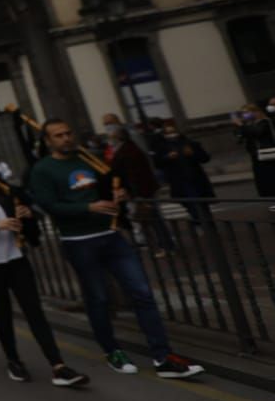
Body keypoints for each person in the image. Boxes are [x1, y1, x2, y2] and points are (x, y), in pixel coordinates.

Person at [28, 117, 205, 380]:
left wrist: (118, 196)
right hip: (79, 241)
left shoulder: (87, 159)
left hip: (110, 236)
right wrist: (87, 207)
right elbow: (49, 205)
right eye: (58, 135)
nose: (66, 138)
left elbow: (108, 184)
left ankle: (163, 356)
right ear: (48, 141)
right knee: (98, 298)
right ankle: (112, 350)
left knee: (142, 293)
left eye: (68, 132)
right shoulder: (43, 169)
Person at [0, 150, 90, 388]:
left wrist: (27, 214)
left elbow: (27, 211)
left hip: (15, 257)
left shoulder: (2, 189)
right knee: (2, 312)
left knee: (34, 310)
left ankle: (58, 365)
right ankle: (13, 361)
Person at [100, 113, 170, 255]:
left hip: (141, 188)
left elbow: (136, 169)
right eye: (105, 124)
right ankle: (153, 243)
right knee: (144, 218)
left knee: (152, 217)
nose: (107, 127)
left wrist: (136, 191)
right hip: (133, 189)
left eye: (109, 123)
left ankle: (165, 245)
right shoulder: (117, 146)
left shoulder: (129, 144)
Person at [152, 119, 216, 227]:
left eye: (173, 132)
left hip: (195, 178)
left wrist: (193, 154)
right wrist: (168, 157)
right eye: (168, 133)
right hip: (179, 181)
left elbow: (205, 158)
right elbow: (157, 163)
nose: (171, 135)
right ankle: (198, 221)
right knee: (189, 203)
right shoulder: (162, 148)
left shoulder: (190, 143)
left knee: (202, 203)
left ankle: (208, 224)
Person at [232, 99, 275, 203]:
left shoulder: (265, 122)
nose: (245, 115)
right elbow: (240, 138)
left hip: (269, 156)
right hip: (257, 157)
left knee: (271, 179)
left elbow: (258, 132)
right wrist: (238, 128)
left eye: (247, 113)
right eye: (243, 113)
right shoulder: (249, 125)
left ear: (256, 112)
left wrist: (242, 126)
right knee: (264, 183)